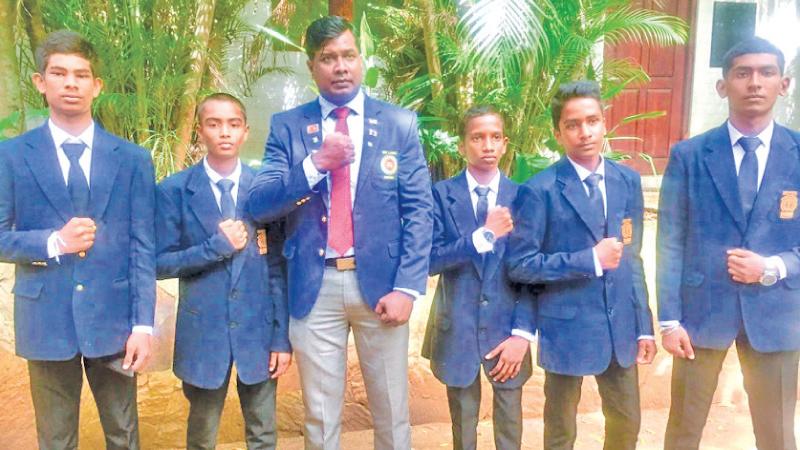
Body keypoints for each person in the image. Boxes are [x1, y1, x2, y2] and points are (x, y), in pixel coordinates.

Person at [247, 15, 434, 450]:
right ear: (312, 66)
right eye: (328, 58)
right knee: (320, 416)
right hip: (315, 287)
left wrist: (408, 286)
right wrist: (315, 165)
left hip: (384, 287)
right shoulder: (288, 127)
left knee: (391, 411)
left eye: (348, 55)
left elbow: (420, 210)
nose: (341, 66)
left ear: (361, 60)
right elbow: (260, 204)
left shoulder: (399, 124)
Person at [0, 30, 155, 449]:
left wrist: (143, 325)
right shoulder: (11, 156)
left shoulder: (134, 160)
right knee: (55, 438)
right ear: (40, 82)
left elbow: (143, 246)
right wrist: (53, 242)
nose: (71, 83)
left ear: (97, 86)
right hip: (45, 320)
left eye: (81, 75)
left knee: (124, 435)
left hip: (115, 321)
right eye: (60, 73)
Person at [658, 36, 800, 450]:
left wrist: (772, 268)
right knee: (683, 431)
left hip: (776, 316)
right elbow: (670, 241)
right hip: (700, 315)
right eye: (742, 73)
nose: (754, 82)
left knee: (777, 435)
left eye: (766, 72)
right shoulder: (689, 155)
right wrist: (669, 320)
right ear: (723, 86)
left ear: (784, 83)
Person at [507, 80, 656, 450]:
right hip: (566, 325)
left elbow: (631, 258)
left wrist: (644, 327)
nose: (585, 132)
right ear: (558, 133)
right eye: (573, 124)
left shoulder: (628, 181)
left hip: (619, 325)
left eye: (592, 121)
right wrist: (589, 260)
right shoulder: (539, 190)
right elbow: (520, 264)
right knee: (561, 430)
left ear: (605, 123)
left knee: (626, 423)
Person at [155, 93, 291, 449]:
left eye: (233, 124)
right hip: (203, 332)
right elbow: (158, 262)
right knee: (201, 434)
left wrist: (281, 337)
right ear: (200, 131)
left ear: (246, 131)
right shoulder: (174, 190)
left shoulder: (265, 190)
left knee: (263, 432)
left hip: (258, 330)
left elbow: (277, 267)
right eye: (214, 124)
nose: (224, 132)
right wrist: (214, 248)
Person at [422, 105, 534, 450]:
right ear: (461, 146)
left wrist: (522, 333)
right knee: (463, 425)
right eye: (477, 137)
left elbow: (531, 271)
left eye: (495, 137)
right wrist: (481, 236)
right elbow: (429, 260)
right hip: (457, 327)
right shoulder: (440, 195)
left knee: (510, 422)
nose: (487, 145)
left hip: (507, 331)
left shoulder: (523, 197)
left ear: (504, 144)